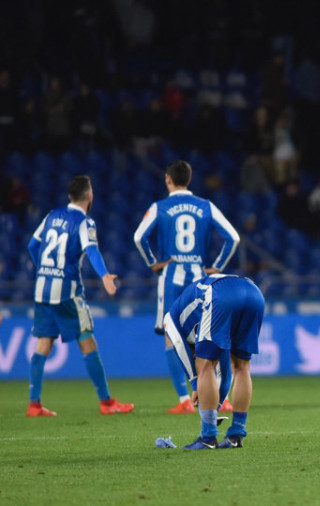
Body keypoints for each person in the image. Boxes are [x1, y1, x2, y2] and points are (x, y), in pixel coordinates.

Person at [133, 160, 241, 414]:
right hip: (199, 278)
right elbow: (233, 237)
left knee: (172, 338)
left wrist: (152, 263)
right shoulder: (206, 206)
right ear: (189, 180)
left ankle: (184, 400)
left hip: (171, 278)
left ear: (168, 179)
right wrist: (216, 266)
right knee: (207, 335)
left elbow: (139, 237)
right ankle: (220, 397)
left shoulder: (159, 207)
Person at [26, 175, 134, 416]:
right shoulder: (84, 222)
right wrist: (105, 275)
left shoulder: (51, 215)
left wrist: (44, 270)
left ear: (69, 196)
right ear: (89, 196)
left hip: (42, 288)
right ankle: (106, 402)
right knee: (87, 339)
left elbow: (33, 246)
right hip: (67, 290)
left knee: (44, 342)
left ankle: (34, 404)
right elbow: (92, 250)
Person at [164, 274, 265, 449]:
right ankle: (236, 434)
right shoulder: (196, 316)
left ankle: (208, 437)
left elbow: (180, 347)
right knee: (241, 367)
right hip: (254, 292)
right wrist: (216, 405)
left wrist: (195, 383)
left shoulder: (170, 318)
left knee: (206, 365)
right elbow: (225, 374)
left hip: (219, 293)